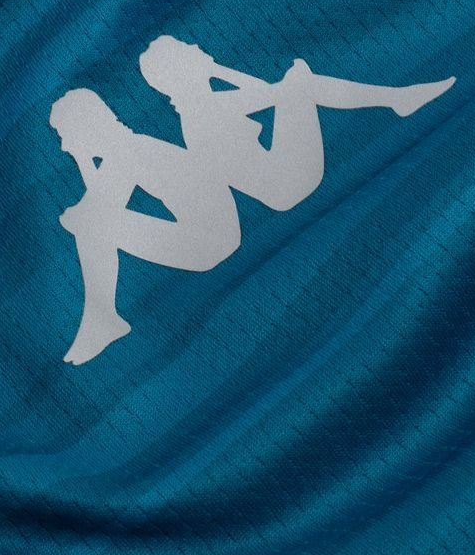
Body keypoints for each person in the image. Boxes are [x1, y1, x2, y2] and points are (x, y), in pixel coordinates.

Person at [51, 36, 454, 363]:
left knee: (300, 85)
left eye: (67, 138)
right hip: (251, 209)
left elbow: (268, 95)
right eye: (191, 49)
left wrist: (223, 72)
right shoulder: (165, 133)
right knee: (300, 84)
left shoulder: (173, 127)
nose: (66, 147)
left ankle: (102, 315)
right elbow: (100, 203)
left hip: (277, 189)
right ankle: (102, 315)